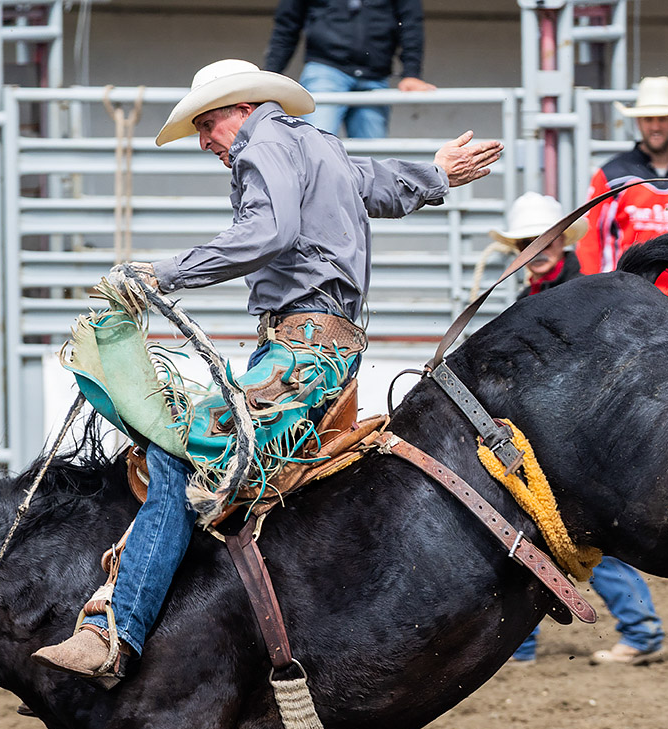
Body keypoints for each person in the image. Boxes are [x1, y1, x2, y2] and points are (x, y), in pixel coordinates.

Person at [34, 59, 501, 683]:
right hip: (318, 347)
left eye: (206, 124)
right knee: (211, 466)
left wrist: (159, 274)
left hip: (302, 351)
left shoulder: (263, 145)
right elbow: (374, 184)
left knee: (181, 449)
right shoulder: (314, 145)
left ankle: (117, 627)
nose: (205, 142)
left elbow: (268, 232)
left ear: (242, 109)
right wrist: (437, 173)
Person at [485, 194, 667, 668]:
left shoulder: (574, 297)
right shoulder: (540, 298)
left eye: (545, 240)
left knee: (582, 537)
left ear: (563, 243)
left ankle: (637, 633)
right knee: (543, 538)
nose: (537, 248)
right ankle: (523, 644)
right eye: (529, 242)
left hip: (578, 441)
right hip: (552, 439)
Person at [576, 75, 668, 314]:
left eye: (663, 118)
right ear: (638, 122)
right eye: (648, 119)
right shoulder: (610, 176)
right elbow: (590, 241)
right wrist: (596, 296)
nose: (655, 126)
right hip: (621, 304)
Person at [264, 0, 431, 140]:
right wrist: (270, 75)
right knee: (315, 146)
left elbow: (411, 22)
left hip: (375, 76)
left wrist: (412, 74)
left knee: (373, 158)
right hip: (326, 68)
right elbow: (287, 24)